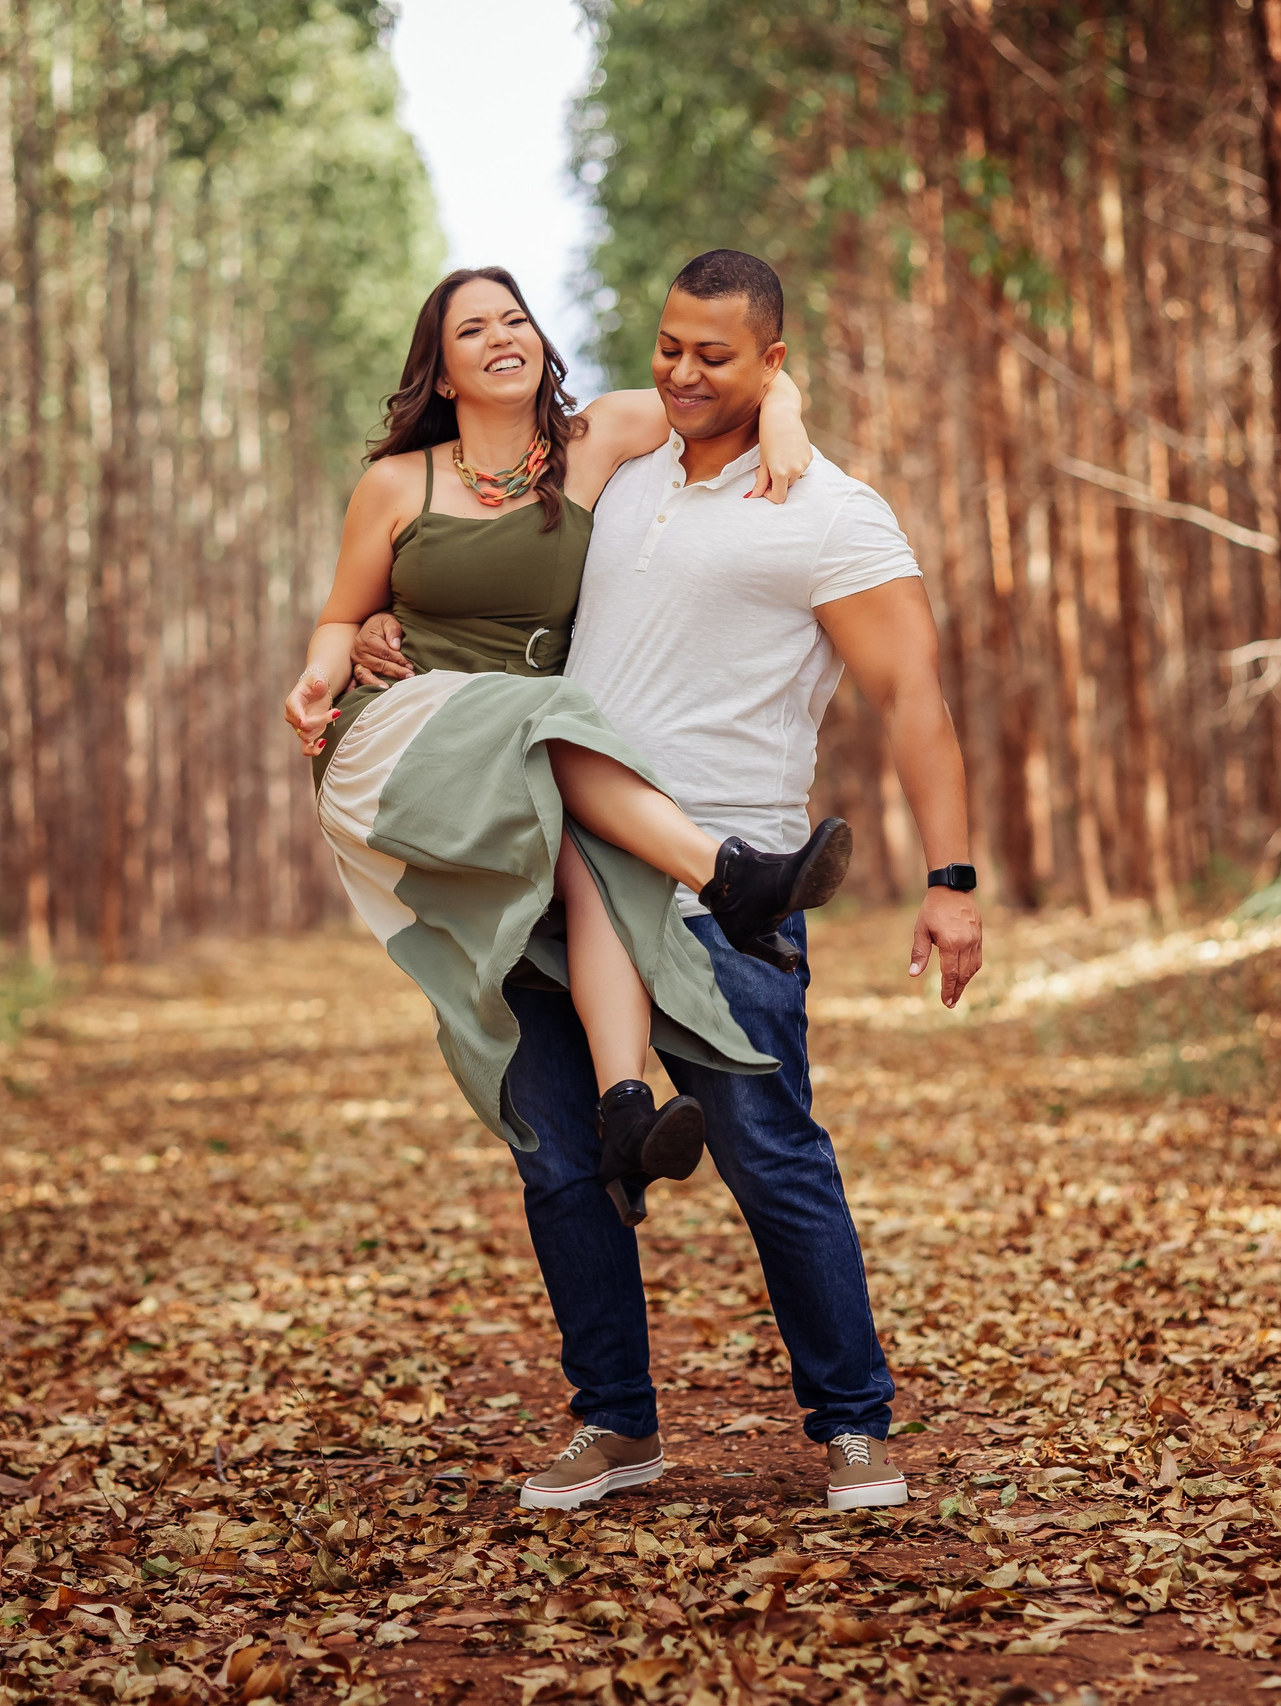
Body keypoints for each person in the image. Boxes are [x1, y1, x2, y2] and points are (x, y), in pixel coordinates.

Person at [350, 250, 984, 1514]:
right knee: (559, 1159)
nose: (684, 374)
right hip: (547, 871)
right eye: (669, 348)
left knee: (770, 1154)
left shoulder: (828, 509)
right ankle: (615, 1425)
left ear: (774, 365)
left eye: (718, 357)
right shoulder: (615, 469)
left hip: (725, 877)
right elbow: (482, 568)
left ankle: (854, 1424)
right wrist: (382, 628)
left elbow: (913, 694)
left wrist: (951, 876)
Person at [282, 267, 858, 1231]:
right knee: (548, 719)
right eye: (473, 329)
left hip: (531, 747)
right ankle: (728, 874)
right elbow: (341, 617)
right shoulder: (397, 482)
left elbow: (728, 380)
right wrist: (319, 671)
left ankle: (624, 1105)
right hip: (395, 734)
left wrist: (788, 410)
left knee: (601, 860)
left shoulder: (593, 444)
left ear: (542, 343)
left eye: (516, 318)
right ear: (445, 371)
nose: (501, 335)